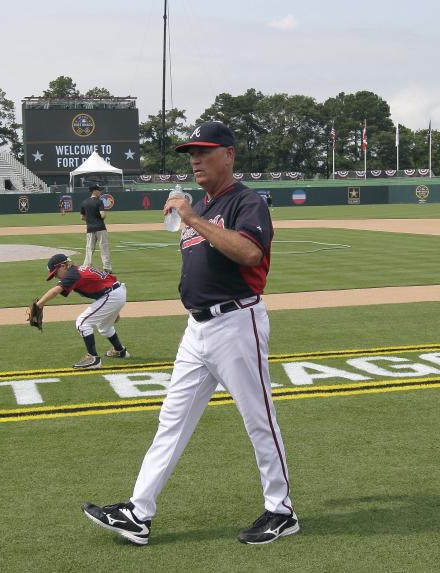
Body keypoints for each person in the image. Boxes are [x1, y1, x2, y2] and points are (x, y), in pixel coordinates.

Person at [81, 121, 297, 546]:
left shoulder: (244, 202)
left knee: (259, 420)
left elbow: (250, 252)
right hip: (197, 328)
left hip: (238, 322)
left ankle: (281, 510)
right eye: (190, 152)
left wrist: (193, 217)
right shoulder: (201, 205)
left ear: (229, 155)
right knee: (171, 421)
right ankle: (138, 512)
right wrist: (192, 215)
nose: (195, 158)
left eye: (204, 150)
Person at [29, 253, 129, 370]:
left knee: (82, 323)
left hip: (112, 295)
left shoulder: (72, 273)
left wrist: (39, 304)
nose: (56, 276)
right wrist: (113, 310)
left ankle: (93, 359)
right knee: (104, 326)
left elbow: (56, 291)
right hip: (115, 293)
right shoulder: (77, 270)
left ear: (63, 265)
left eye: (56, 272)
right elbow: (101, 284)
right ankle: (120, 350)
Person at [79, 184, 112, 272]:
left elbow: (82, 217)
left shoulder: (84, 202)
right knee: (104, 248)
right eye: (98, 190)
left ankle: (86, 266)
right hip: (100, 227)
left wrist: (90, 219)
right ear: (94, 191)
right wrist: (101, 217)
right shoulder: (99, 201)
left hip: (90, 228)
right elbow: (103, 215)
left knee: (89, 248)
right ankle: (107, 268)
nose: (100, 192)